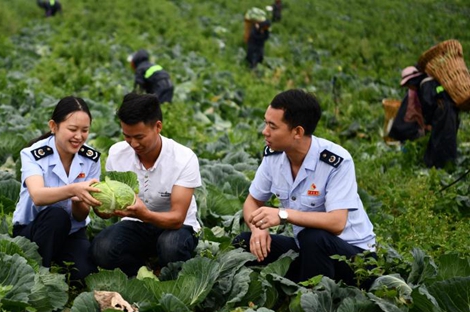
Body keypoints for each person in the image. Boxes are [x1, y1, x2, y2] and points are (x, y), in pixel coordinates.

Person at [232, 89, 376, 286]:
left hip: (355, 257)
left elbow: (337, 222)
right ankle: (298, 285)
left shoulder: (336, 161)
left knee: (314, 237)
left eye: (272, 126)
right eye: (266, 123)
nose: (265, 131)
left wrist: (283, 214)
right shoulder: (274, 156)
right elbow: (253, 201)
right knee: (244, 242)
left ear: (297, 132)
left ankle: (313, 303)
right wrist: (258, 229)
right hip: (307, 249)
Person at [90, 93, 201, 277]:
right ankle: (142, 271)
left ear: (158, 127)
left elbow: (177, 218)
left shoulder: (183, 158)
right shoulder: (117, 153)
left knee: (171, 247)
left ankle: (170, 276)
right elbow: (106, 211)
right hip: (135, 224)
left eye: (139, 137)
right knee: (101, 248)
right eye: (127, 136)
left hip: (176, 227)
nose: (133, 143)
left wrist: (145, 214)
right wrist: (99, 203)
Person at [12, 96, 100, 281]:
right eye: (72, 129)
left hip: (72, 233)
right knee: (56, 216)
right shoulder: (33, 154)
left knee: (86, 274)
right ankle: (38, 275)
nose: (79, 136)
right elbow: (38, 196)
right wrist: (74, 189)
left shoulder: (91, 158)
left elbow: (81, 216)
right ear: (54, 126)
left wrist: (79, 203)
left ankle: (55, 257)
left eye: (85, 130)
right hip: (34, 230)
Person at [389, 66, 460, 169]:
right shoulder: (432, 82)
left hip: (443, 117)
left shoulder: (425, 85)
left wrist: (428, 123)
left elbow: (429, 105)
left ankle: (439, 166)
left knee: (440, 142)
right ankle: (449, 164)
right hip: (451, 113)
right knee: (449, 140)